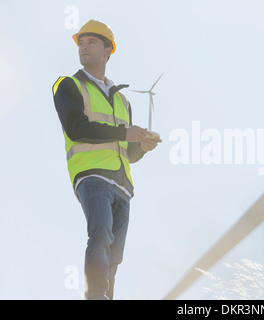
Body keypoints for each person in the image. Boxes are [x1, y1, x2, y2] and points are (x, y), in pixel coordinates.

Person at [52, 19, 162, 300]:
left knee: (114, 256)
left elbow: (127, 152)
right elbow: (76, 129)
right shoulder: (68, 85)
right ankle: (95, 296)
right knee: (100, 233)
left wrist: (143, 146)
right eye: (81, 43)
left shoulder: (123, 101)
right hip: (91, 175)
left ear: (107, 50)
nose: (83, 47)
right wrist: (127, 131)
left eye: (91, 42)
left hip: (122, 184)